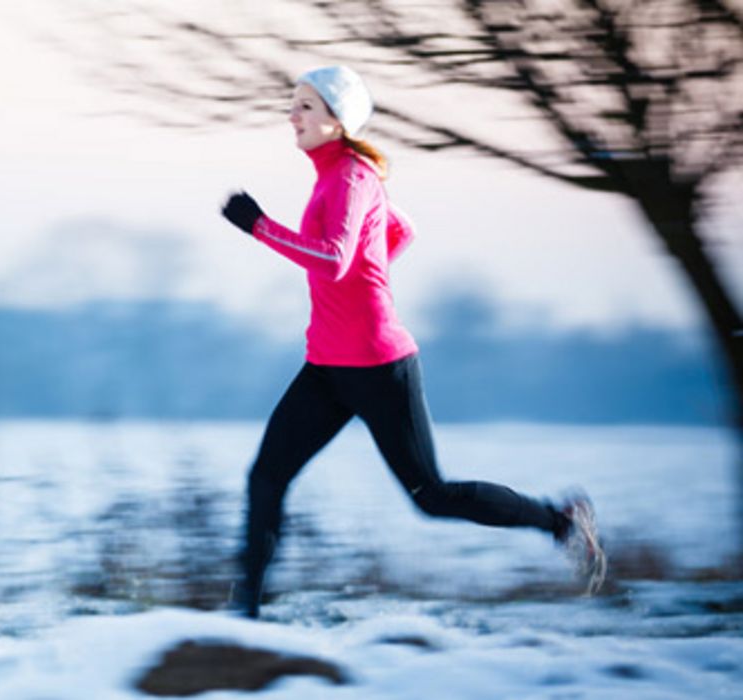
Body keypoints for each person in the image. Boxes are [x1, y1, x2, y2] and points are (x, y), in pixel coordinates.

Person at [219, 65, 607, 619]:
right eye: (294, 103)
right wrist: (362, 286)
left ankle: (561, 520)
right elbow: (399, 231)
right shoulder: (336, 176)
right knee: (266, 477)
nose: (292, 115)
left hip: (379, 368)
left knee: (431, 495)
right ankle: (244, 616)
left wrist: (260, 226)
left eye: (305, 105)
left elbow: (332, 259)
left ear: (337, 119)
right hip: (327, 366)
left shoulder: (351, 177)